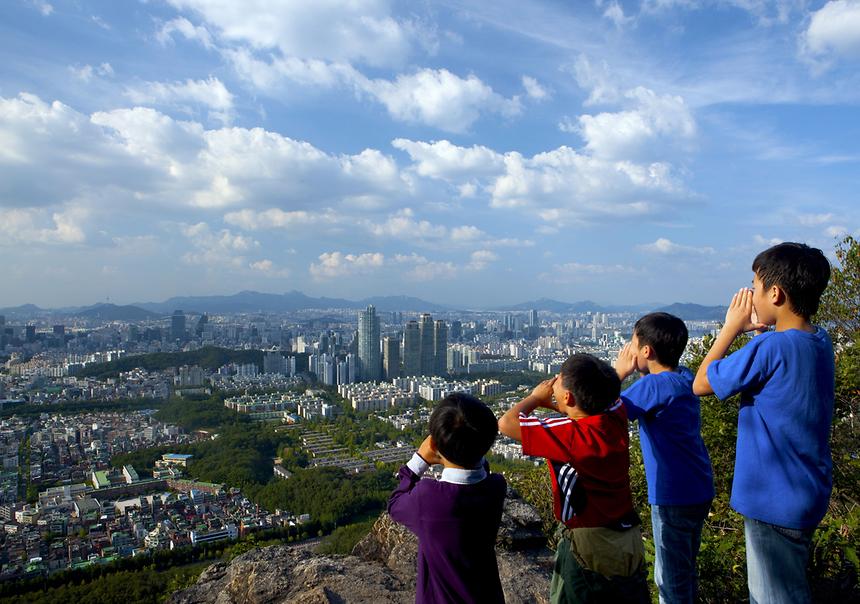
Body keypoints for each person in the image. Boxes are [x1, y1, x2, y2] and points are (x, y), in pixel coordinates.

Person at [692, 242, 833, 604]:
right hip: (807, 489)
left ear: (776, 292)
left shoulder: (768, 349)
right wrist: (760, 335)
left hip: (773, 499)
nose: (751, 295)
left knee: (774, 597)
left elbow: (701, 383)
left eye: (754, 286)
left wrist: (730, 328)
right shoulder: (820, 341)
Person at [498, 353, 649, 603]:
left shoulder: (570, 435)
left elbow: (506, 423)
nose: (552, 381)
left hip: (587, 545)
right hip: (627, 540)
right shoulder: (615, 417)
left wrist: (536, 397)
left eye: (558, 379)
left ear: (568, 396)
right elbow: (605, 398)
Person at [616, 312, 714, 604]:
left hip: (672, 496)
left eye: (633, 344)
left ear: (647, 351)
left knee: (669, 580)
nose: (630, 350)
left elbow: (604, 412)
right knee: (685, 570)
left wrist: (618, 373)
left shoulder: (653, 387)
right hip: (699, 488)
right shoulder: (684, 377)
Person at [388, 392, 507, 604]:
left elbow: (395, 505)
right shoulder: (496, 486)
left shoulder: (429, 497)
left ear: (434, 444)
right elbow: (482, 471)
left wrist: (417, 462)